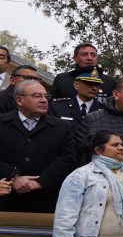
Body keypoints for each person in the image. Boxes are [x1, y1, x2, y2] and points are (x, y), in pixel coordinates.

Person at [0, 79, 77, 213]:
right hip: (5, 201)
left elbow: (68, 158)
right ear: (19, 100)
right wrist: (14, 177)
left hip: (47, 203)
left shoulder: (62, 127)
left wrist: (41, 182)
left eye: (46, 96)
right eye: (37, 96)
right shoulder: (2, 123)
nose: (44, 100)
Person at [51, 43, 117, 99]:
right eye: (84, 54)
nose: (89, 58)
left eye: (93, 55)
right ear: (75, 58)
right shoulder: (62, 80)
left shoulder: (109, 82)